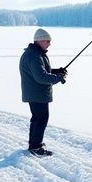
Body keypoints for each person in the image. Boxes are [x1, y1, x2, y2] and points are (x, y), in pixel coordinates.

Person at [19, 28, 67, 156]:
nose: (49, 43)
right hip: (37, 94)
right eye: (48, 41)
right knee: (41, 119)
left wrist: (57, 71)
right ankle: (36, 147)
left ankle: (33, 144)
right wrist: (58, 78)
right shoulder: (35, 55)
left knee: (37, 118)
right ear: (40, 41)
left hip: (34, 93)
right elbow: (41, 77)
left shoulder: (34, 53)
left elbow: (42, 71)